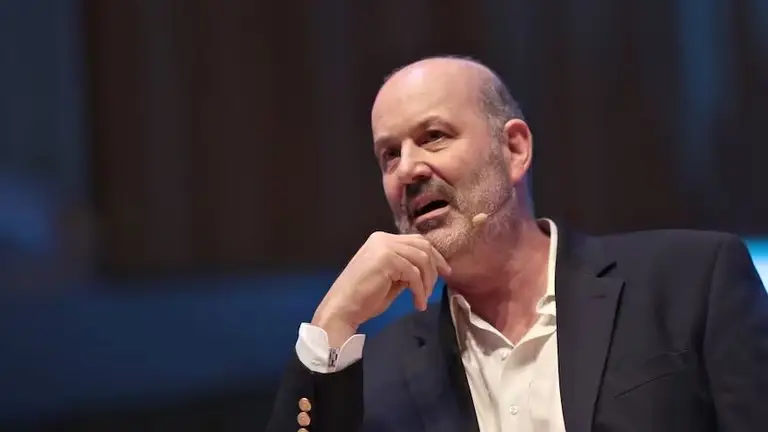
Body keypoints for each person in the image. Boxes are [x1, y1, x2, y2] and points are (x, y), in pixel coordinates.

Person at [265, 56, 768, 432]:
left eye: (434, 136)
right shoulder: (378, 374)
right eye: (389, 155)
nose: (409, 169)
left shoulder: (691, 281)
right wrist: (333, 320)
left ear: (514, 149)